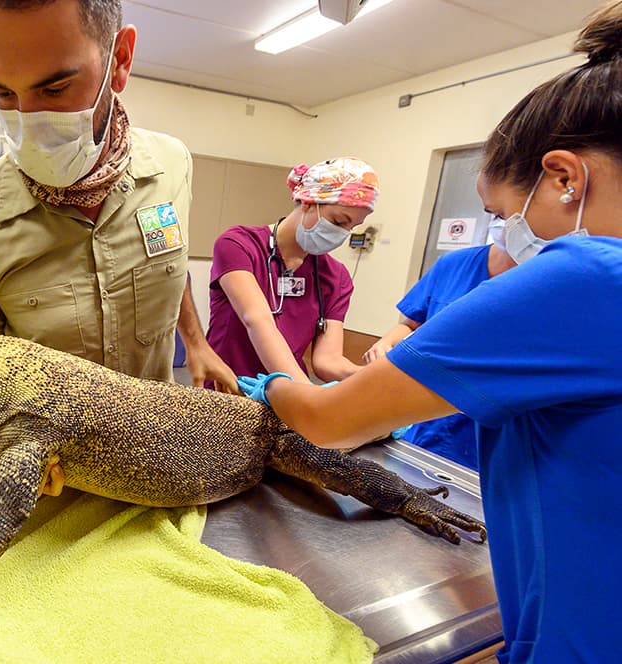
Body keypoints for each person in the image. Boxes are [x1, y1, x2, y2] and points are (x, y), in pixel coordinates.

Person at [239, 3, 622, 660]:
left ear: (564, 177)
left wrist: (273, 386)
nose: (505, 236)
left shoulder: (587, 277)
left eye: (504, 213)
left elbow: (330, 422)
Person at [0, 0, 238, 492]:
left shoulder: (172, 166)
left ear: (120, 60)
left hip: (166, 459)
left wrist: (196, 341)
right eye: (2, 92)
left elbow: (170, 261)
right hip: (55, 480)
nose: (28, 119)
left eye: (55, 88)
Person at [207, 158, 379, 385]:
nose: (342, 234)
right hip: (227, 387)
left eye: (351, 227)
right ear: (308, 202)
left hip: (287, 394)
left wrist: (374, 376)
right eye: (339, 221)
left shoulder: (336, 277)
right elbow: (256, 320)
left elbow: (327, 360)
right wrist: (305, 391)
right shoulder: (239, 245)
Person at [361, 237, 517, 469]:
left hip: (493, 438)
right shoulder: (454, 265)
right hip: (423, 424)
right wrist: (387, 343)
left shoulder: (555, 283)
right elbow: (411, 324)